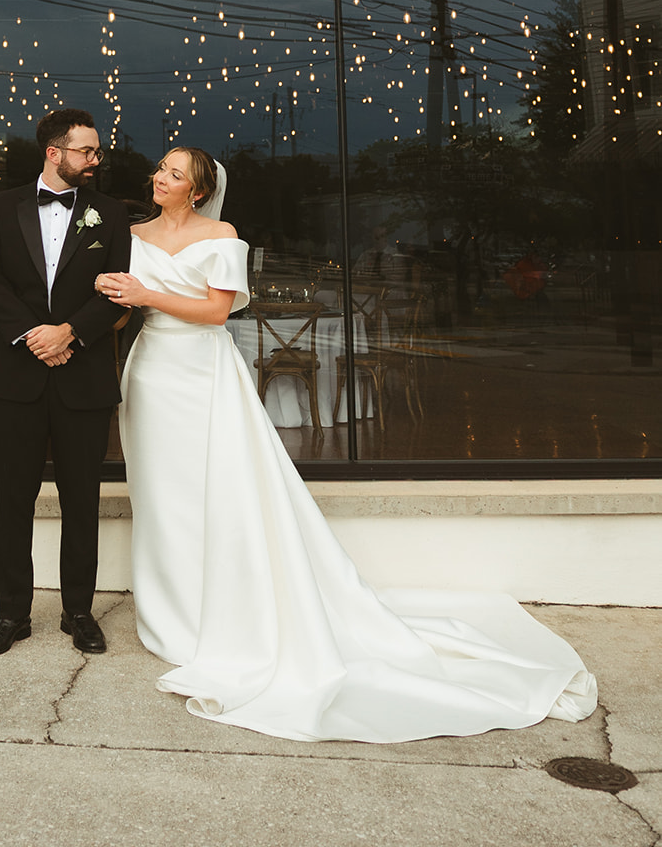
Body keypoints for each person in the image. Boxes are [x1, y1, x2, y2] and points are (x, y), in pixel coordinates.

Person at [97, 147, 597, 744]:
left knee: (218, 490)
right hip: (151, 374)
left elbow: (214, 312)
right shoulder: (130, 235)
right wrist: (108, 298)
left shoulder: (222, 234)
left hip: (202, 374)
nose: (160, 177)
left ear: (198, 192)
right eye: (161, 168)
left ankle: (226, 611)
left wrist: (145, 295)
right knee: (161, 495)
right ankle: (171, 614)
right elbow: (122, 313)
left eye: (175, 174)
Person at [0, 107, 131, 657]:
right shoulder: (0, 207)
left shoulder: (111, 214)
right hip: (16, 375)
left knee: (82, 500)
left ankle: (79, 612)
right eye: (86, 151)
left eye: (96, 151)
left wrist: (69, 333)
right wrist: (34, 336)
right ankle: (10, 615)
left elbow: (114, 291)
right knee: (12, 499)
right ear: (53, 152)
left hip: (82, 377)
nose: (95, 159)